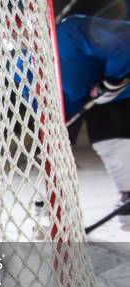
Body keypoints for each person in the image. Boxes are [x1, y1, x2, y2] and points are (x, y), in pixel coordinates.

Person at [57, 15, 130, 227]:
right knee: (102, 124)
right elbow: (70, 98)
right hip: (113, 96)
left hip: (123, 85)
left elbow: (124, 43)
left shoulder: (69, 32)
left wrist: (113, 80)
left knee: (108, 126)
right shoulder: (25, 66)